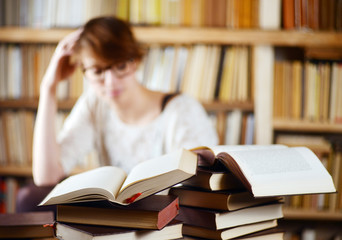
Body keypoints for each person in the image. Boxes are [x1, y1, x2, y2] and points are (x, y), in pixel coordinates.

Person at [16, 16, 218, 212]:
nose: (111, 82)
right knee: (30, 198)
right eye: (97, 71)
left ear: (136, 61)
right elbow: (46, 177)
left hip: (169, 217)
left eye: (120, 66)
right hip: (114, 218)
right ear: (83, 70)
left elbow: (200, 189)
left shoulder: (181, 110)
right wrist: (48, 88)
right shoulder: (94, 105)